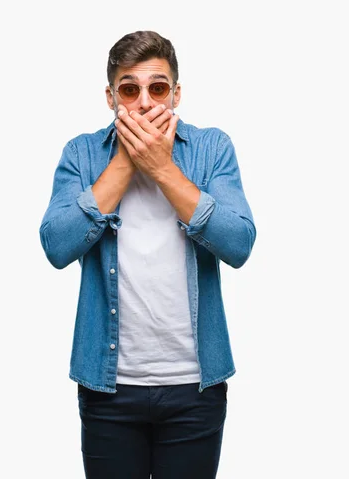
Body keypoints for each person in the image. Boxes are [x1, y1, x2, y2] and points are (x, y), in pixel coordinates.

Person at [39, 30, 256, 479]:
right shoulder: (82, 154)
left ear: (176, 94)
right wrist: (125, 163)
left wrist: (161, 168)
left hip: (195, 387)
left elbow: (239, 244)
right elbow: (57, 246)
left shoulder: (212, 148)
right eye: (129, 89)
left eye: (157, 88)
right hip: (108, 388)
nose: (144, 102)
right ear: (111, 98)